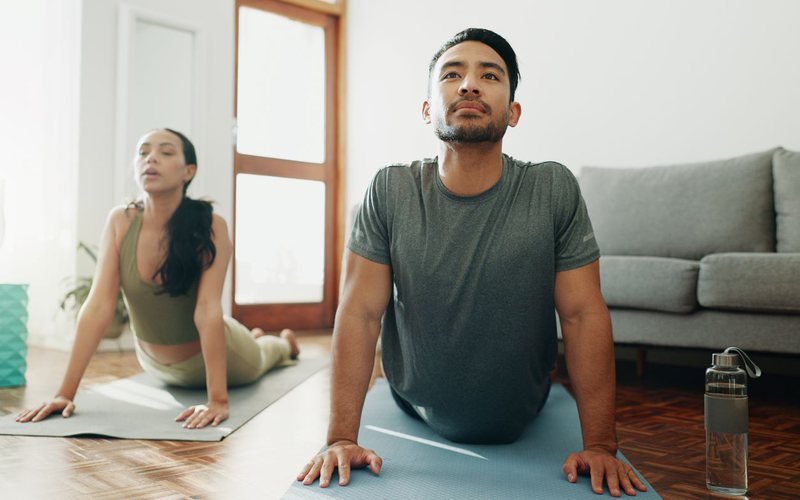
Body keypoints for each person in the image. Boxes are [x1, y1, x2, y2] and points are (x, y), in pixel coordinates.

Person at [297, 28, 648, 497]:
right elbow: (359, 313)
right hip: (412, 401)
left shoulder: (552, 189)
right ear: (427, 109)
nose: (468, 85)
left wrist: (602, 445)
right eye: (452, 74)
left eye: (490, 75)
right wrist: (341, 437)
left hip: (522, 407)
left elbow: (583, 314)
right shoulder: (390, 190)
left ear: (513, 112)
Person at [16, 128, 299, 429]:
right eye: (143, 152)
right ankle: (255, 335)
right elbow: (98, 307)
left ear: (188, 171)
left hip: (216, 358)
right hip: (154, 364)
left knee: (262, 356)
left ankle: (283, 343)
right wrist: (64, 394)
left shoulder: (211, 225)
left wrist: (218, 400)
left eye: (166, 152)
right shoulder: (120, 221)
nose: (151, 158)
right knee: (247, 340)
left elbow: (207, 310)